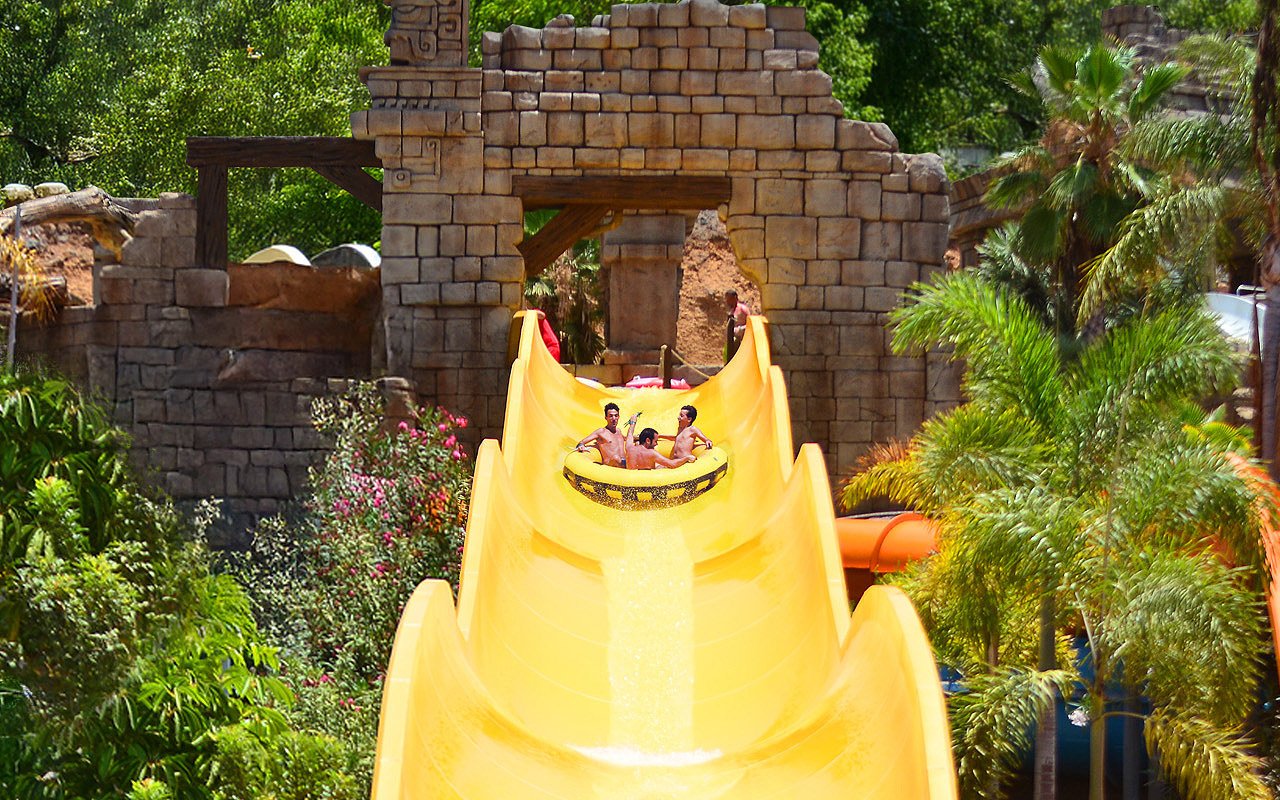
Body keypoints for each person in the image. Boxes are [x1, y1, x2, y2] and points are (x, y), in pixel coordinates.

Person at [625, 416, 696, 470]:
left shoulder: (629, 448)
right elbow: (672, 464)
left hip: (631, 483)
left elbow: (630, 434)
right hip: (647, 484)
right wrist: (686, 458)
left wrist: (633, 422)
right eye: (655, 441)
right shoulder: (651, 453)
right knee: (664, 466)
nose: (656, 444)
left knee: (660, 465)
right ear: (648, 440)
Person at [574, 403, 630, 467]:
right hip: (611, 465)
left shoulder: (618, 431)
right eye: (611, 416)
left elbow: (625, 438)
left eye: (616, 415)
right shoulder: (601, 432)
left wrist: (639, 437)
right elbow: (581, 442)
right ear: (606, 417)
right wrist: (581, 446)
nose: (614, 418)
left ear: (619, 417)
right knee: (616, 458)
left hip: (623, 464)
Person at [724, 289, 751, 360]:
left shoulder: (743, 309)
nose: (727, 302)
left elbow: (750, 323)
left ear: (735, 298)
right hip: (732, 340)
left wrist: (739, 330)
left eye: (729, 299)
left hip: (741, 341)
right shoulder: (731, 311)